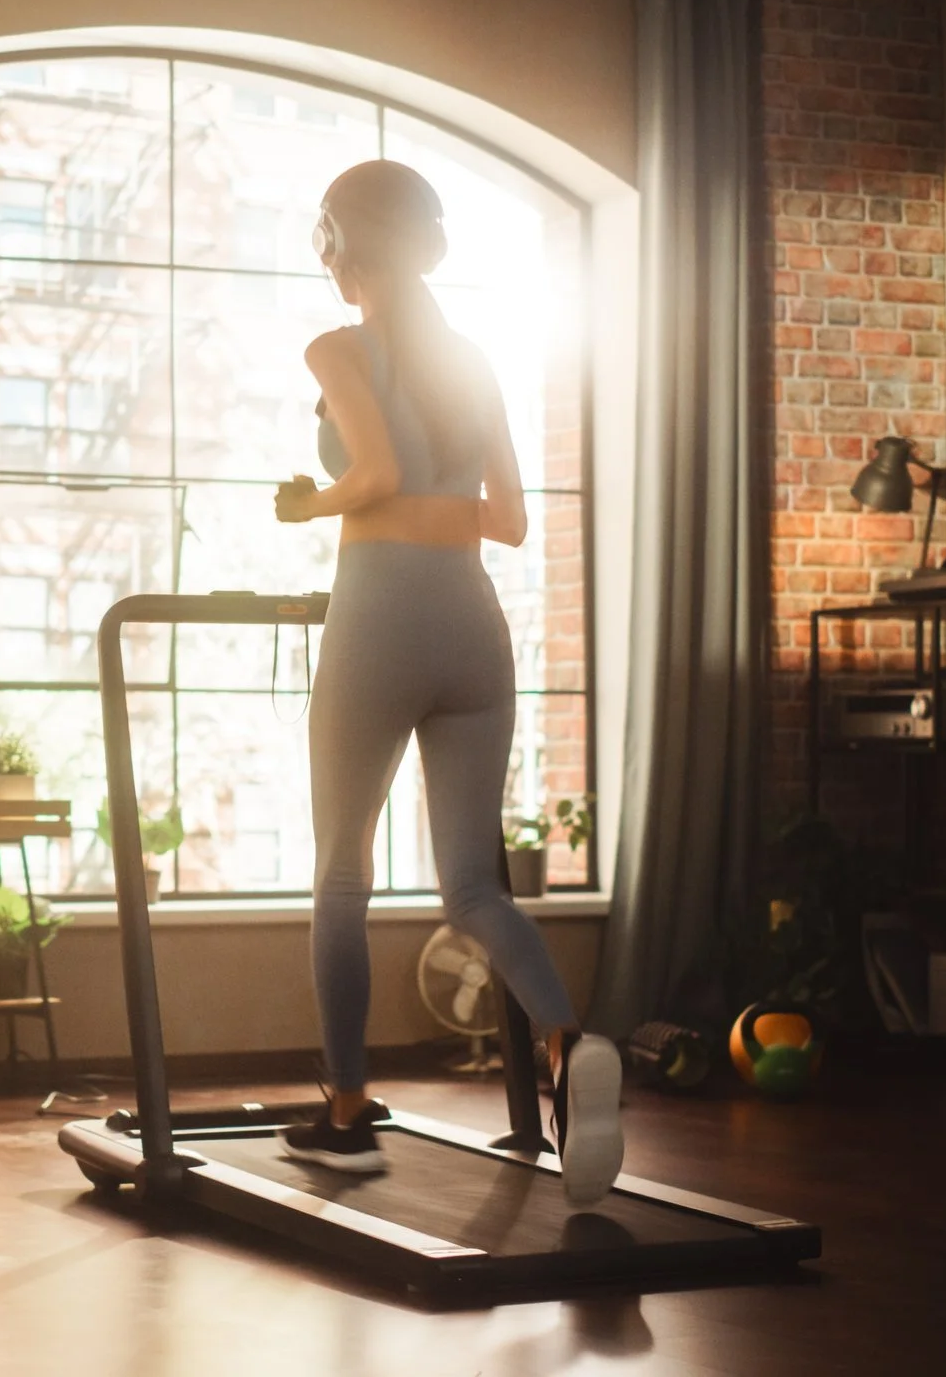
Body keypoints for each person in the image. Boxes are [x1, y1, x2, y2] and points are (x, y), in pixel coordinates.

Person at [271, 159, 622, 1205]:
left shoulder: (337, 346)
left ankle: (343, 1113)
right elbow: (509, 520)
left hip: (378, 617)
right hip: (473, 625)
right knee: (470, 884)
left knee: (341, 874)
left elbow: (372, 474)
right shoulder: (472, 361)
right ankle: (567, 1041)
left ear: (346, 247)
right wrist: (433, 510)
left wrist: (306, 505)